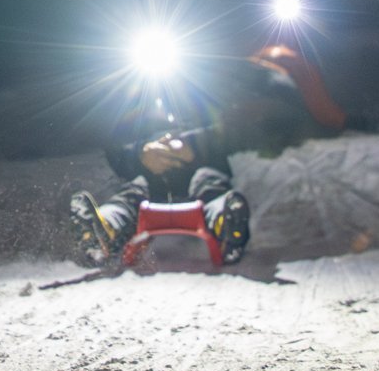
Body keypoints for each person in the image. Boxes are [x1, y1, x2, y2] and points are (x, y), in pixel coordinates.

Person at [68, 42, 344, 268]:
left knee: (209, 183)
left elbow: (239, 129)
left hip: (201, 166)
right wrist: (142, 154)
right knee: (133, 192)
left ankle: (225, 222)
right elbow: (116, 147)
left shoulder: (210, 97)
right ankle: (105, 229)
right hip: (152, 174)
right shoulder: (135, 104)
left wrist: (195, 146)